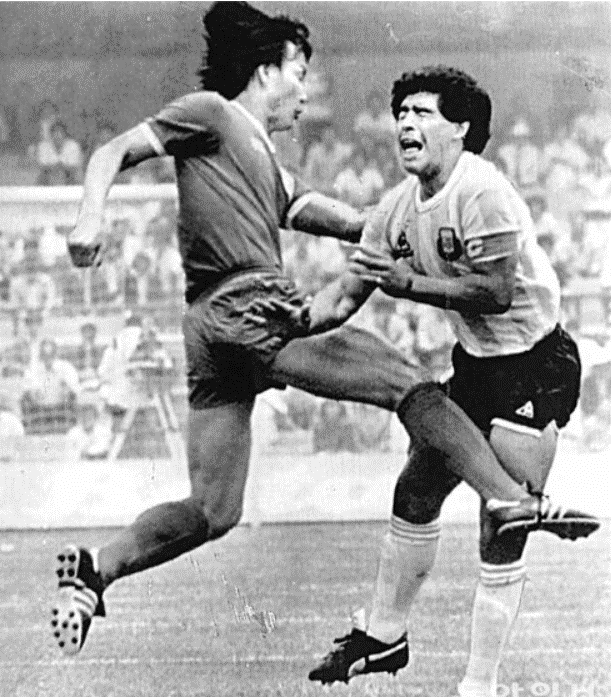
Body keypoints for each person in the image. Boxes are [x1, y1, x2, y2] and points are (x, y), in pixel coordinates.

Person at [52, 6, 593, 662]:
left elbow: (312, 210)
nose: (306, 91)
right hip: (249, 307)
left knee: (214, 510)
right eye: (300, 73)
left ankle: (97, 569)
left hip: (210, 330)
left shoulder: (257, 153)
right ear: (265, 71)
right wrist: (88, 219)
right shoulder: (213, 113)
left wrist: (389, 220)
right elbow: (112, 151)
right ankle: (508, 500)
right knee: (408, 381)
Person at [250, 66, 600, 697]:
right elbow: (343, 299)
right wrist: (288, 323)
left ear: (460, 127)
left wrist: (406, 282)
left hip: (535, 366)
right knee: (413, 492)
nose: (405, 124)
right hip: (475, 367)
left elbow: (494, 292)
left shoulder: (483, 191)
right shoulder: (395, 209)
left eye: (421, 112)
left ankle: (476, 695)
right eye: (400, 113)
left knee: (501, 527)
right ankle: (384, 636)